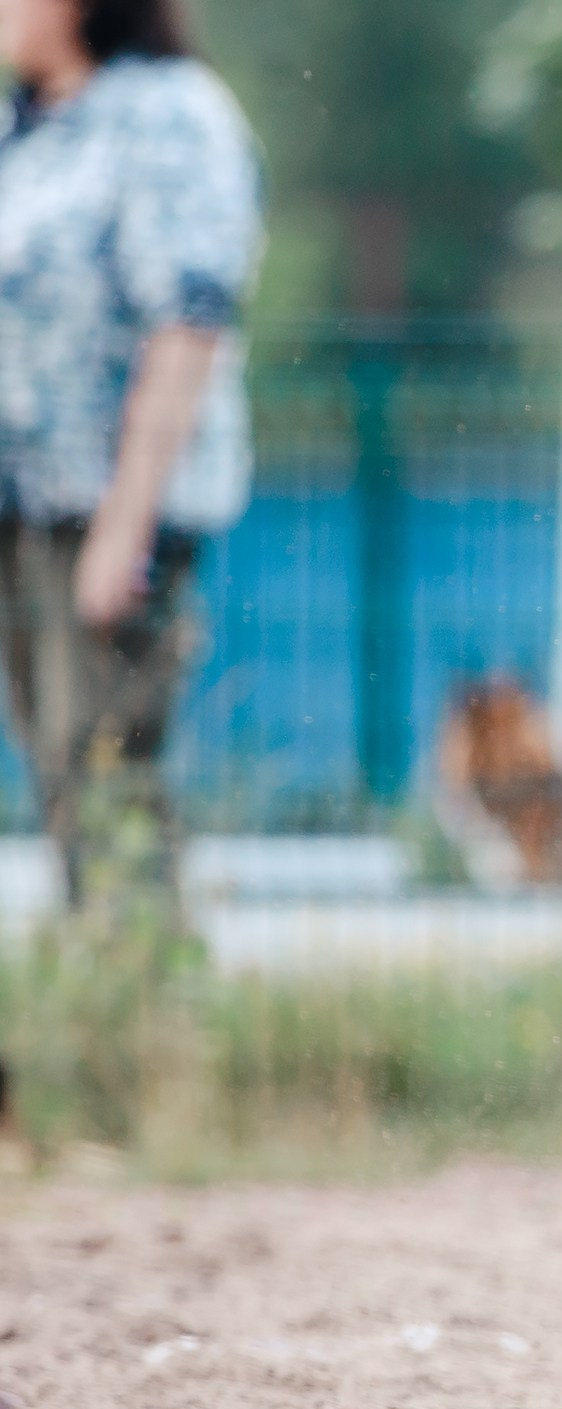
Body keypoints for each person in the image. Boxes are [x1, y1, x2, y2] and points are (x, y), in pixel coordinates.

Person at [0, 0, 262, 901]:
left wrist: (126, 522)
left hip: (117, 503)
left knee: (105, 764)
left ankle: (143, 1008)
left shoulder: (169, 115)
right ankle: (107, 994)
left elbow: (189, 320)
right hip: (25, 502)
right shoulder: (25, 127)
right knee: (58, 769)